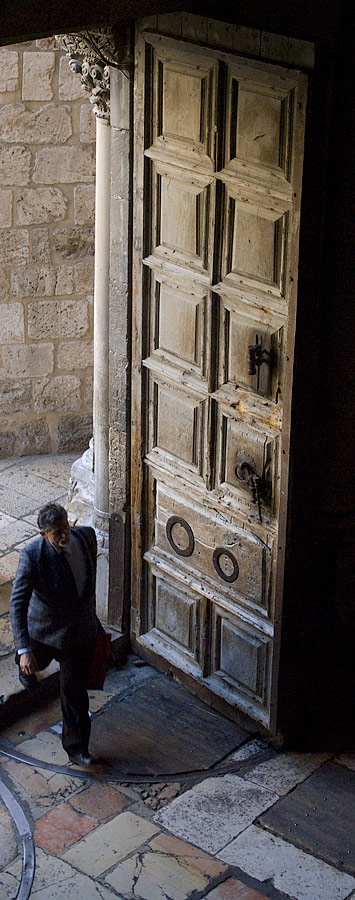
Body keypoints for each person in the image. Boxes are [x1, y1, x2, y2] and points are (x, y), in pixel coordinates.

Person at [10, 502, 98, 769]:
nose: (63, 535)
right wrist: (23, 649)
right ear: (42, 535)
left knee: (74, 693)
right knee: (34, 662)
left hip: (76, 635)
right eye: (55, 532)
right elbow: (17, 603)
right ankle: (25, 668)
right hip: (44, 632)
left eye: (64, 527)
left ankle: (77, 748)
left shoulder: (86, 537)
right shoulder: (32, 555)